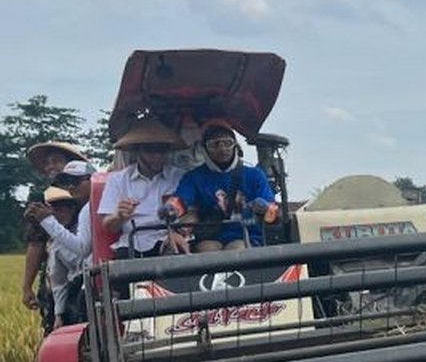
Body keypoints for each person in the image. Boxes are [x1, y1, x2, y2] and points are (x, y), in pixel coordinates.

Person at [164, 120, 277, 251]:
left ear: (235, 146)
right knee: (207, 250)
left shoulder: (255, 175)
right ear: (205, 148)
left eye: (227, 143)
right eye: (214, 144)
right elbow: (181, 199)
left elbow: (273, 212)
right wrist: (171, 208)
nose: (222, 148)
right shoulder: (194, 177)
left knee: (236, 249)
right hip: (210, 235)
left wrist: (264, 207)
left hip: (248, 235)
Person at [98, 117, 189, 257]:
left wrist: (177, 232)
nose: (157, 155)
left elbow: (194, 213)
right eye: (150, 150)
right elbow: (109, 226)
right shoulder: (117, 180)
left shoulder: (180, 177)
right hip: (133, 244)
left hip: (172, 241)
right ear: (137, 150)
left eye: (162, 150)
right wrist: (119, 216)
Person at [20, 141, 87, 331]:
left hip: (84, 276)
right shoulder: (43, 199)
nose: (50, 167)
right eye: (47, 163)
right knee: (56, 328)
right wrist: (27, 286)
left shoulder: (86, 196)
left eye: (56, 161)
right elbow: (36, 243)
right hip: (55, 277)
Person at [26, 187, 84, 329]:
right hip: (70, 296)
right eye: (52, 209)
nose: (56, 214)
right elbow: (58, 279)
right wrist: (59, 315)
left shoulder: (83, 229)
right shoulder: (53, 240)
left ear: (72, 209)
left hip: (87, 290)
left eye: (60, 209)